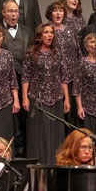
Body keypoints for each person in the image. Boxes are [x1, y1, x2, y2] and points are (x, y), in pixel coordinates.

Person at [22, 23, 69, 164]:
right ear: (39, 35)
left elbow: (63, 77)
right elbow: (25, 76)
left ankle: (56, 163)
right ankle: (39, 164)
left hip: (56, 98)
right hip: (37, 98)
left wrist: (66, 98)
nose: (49, 35)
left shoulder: (58, 52)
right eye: (46, 32)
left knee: (55, 133)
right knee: (39, 133)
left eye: (51, 32)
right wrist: (25, 97)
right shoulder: (31, 52)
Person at [0, 0, 33, 156]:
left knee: (24, 116)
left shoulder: (27, 32)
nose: (14, 14)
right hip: (2, 81)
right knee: (9, 117)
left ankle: (23, 151)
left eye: (16, 11)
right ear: (3, 13)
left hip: (24, 80)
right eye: (10, 11)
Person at [48, 1, 79, 125]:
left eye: (60, 11)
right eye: (55, 10)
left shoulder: (70, 31)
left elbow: (77, 51)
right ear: (50, 14)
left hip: (71, 76)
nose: (58, 13)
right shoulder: (46, 30)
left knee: (70, 111)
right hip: (53, 77)